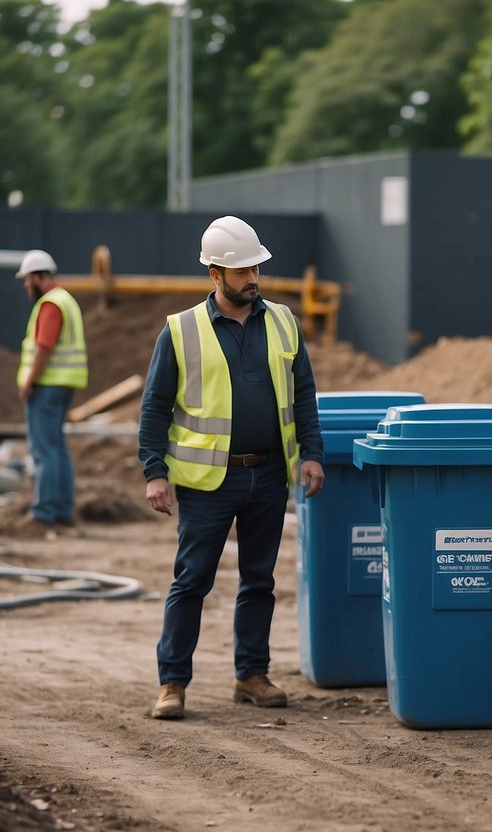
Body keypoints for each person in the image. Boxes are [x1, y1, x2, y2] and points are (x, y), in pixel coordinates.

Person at [139, 215, 325, 720]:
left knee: (259, 580)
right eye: (241, 271)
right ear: (215, 275)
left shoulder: (283, 321)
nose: (252, 278)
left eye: (256, 268)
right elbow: (155, 407)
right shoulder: (180, 331)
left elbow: (303, 393)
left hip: (267, 474)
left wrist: (311, 452)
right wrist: (155, 470)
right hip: (206, 481)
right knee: (192, 581)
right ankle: (172, 682)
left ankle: (250, 674)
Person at [16, 249, 87, 534]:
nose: (25, 285)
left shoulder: (50, 305)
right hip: (64, 382)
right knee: (56, 447)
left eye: (26, 279)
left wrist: (29, 380)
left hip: (47, 384)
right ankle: (62, 511)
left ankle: (44, 512)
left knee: (43, 449)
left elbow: (44, 346)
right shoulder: (65, 300)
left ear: (38, 277)